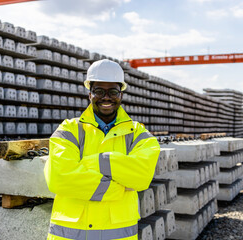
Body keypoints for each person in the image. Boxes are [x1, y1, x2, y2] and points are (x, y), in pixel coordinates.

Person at [44, 59, 160, 240]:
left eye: (113, 91)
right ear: (89, 94)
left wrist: (93, 163)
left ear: (121, 94)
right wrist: (114, 188)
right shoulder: (69, 130)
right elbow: (59, 178)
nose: (106, 97)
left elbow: (142, 176)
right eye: (99, 91)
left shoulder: (138, 133)